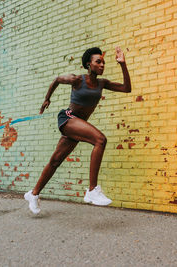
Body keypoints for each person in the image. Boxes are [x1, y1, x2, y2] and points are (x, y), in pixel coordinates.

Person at [24, 47, 131, 214]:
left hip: (77, 125)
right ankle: (92, 190)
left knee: (55, 161)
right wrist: (47, 99)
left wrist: (123, 64)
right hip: (68, 118)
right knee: (100, 140)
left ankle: (33, 193)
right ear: (89, 65)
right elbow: (57, 79)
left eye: (103, 62)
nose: (102, 65)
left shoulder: (102, 83)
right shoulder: (77, 80)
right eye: (98, 62)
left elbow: (126, 88)